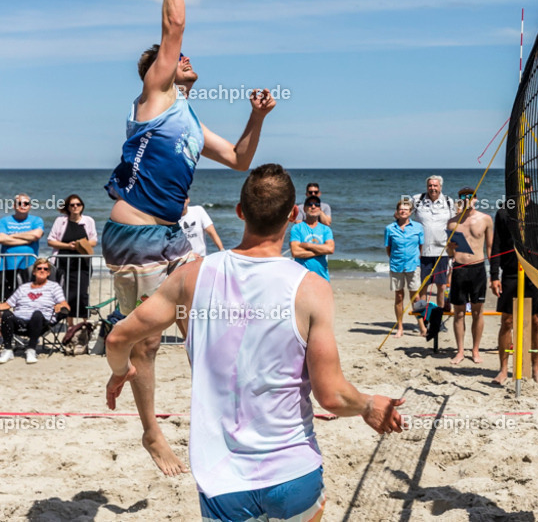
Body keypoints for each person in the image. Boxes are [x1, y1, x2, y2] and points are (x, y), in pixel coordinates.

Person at [105, 164, 404, 522]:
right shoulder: (311, 288)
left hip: (223, 478)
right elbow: (332, 396)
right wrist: (370, 405)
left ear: (240, 212)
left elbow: (117, 337)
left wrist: (121, 371)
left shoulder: (191, 277)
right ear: (293, 215)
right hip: (293, 471)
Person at [101, 0, 276, 476]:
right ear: (160, 70)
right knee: (147, 344)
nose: (184, 56)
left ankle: (222, 412)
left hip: (172, 233)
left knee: (203, 319)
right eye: (177, 57)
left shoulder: (194, 124)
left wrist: (258, 117)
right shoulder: (154, 95)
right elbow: (174, 24)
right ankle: (152, 433)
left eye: (183, 57)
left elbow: (242, 160)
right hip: (135, 235)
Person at [490, 176, 538, 384]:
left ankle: (536, 369)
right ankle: (503, 369)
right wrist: (493, 276)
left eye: (526, 186)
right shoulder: (504, 212)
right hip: (510, 273)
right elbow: (496, 247)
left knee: (536, 322)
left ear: (531, 188)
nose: (523, 189)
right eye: (519, 186)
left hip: (535, 274)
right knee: (507, 321)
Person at [0, 257, 69, 364]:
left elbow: (65, 304)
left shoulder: (54, 287)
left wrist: (60, 306)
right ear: (34, 271)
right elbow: (7, 304)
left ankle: (31, 349)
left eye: (45, 269)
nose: (42, 270)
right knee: (6, 315)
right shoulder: (23, 287)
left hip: (41, 323)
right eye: (39, 268)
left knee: (37, 314)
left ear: (48, 273)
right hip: (20, 322)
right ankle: (7, 350)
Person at [445, 187, 493, 365]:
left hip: (478, 268)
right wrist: (450, 247)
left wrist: (495, 274)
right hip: (459, 268)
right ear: (460, 200)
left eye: (470, 197)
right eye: (463, 197)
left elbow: (490, 248)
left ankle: (475, 350)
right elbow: (450, 253)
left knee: (477, 311)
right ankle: (459, 351)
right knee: (458, 312)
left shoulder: (485, 219)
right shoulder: (452, 223)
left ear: (476, 199)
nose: (467, 200)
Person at [47, 194, 97, 323]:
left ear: (82, 206)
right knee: (67, 293)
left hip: (83, 262)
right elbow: (51, 240)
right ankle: (70, 324)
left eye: (78, 204)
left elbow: (94, 241)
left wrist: (80, 245)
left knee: (82, 293)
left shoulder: (88, 221)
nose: (75, 207)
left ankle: (85, 323)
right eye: (72, 205)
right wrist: (68, 246)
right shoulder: (60, 220)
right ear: (68, 207)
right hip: (63, 262)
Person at [412, 176, 456, 310]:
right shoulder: (417, 200)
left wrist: (454, 249)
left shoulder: (448, 201)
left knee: (442, 287)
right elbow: (404, 215)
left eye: (435, 186)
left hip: (441, 252)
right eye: (430, 185)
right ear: (427, 187)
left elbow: (453, 225)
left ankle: (438, 319)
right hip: (422, 252)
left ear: (440, 187)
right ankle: (424, 319)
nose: (433, 188)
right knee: (423, 287)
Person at [0, 194, 44, 306]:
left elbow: (36, 235)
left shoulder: (36, 220)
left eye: (26, 203)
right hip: (8, 265)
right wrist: (26, 240)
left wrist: (11, 236)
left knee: (28, 296)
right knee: (5, 299)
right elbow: (0, 238)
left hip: (29, 265)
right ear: (14, 206)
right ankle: (3, 321)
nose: (23, 205)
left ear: (30, 206)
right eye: (19, 203)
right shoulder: (4, 221)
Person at [384, 199, 424, 338]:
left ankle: (422, 327)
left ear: (410, 212)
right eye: (401, 209)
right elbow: (388, 249)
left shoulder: (418, 227)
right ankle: (400, 327)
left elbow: (420, 247)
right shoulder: (389, 229)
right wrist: (396, 259)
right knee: (399, 296)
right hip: (396, 266)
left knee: (416, 297)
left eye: (406, 209)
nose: (403, 211)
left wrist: (415, 259)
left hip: (413, 265)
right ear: (397, 211)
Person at [290, 198, 335, 281]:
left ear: (320, 209)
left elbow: (330, 249)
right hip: (301, 278)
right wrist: (321, 251)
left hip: (322, 277)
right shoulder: (297, 228)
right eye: (309, 204)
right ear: (304, 208)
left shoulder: (326, 229)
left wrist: (308, 245)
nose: (313, 207)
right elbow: (295, 252)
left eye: (316, 205)